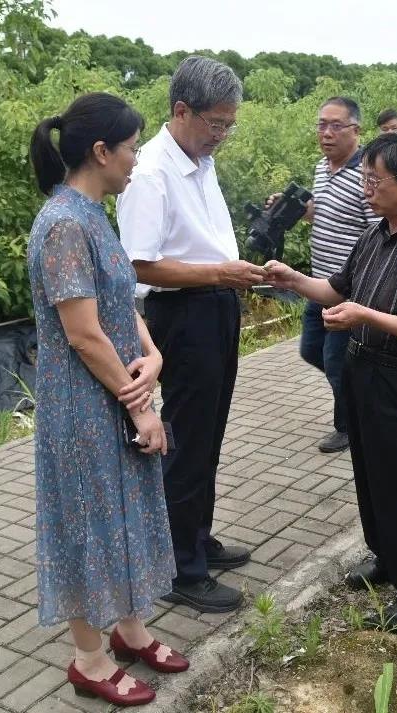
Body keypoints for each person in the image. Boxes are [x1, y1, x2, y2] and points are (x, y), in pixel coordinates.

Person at [264, 132, 397, 632]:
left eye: (374, 179)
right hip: (361, 370)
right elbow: (334, 289)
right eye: (365, 177)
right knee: (369, 476)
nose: (365, 188)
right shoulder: (375, 233)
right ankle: (384, 558)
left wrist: (366, 316)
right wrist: (290, 278)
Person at [27, 93, 190, 707]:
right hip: (82, 406)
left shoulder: (96, 213)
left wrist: (153, 353)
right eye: (131, 149)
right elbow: (83, 332)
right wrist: (142, 407)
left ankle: (130, 630)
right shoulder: (66, 224)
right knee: (88, 523)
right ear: (100, 152)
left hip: (117, 387)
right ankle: (88, 659)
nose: (136, 161)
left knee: (126, 511)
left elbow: (121, 305)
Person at [117, 56, 263, 614]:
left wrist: (234, 273)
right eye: (216, 124)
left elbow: (202, 242)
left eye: (230, 125)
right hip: (183, 316)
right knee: (186, 438)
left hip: (216, 305)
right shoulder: (150, 171)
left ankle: (198, 536)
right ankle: (181, 564)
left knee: (210, 433)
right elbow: (139, 265)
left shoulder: (199, 161)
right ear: (182, 111)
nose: (223, 136)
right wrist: (217, 274)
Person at [269, 96, 380, 453]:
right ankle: (359, 392)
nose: (326, 133)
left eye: (336, 126)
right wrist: (295, 210)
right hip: (318, 285)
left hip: (348, 290)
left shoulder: (369, 175)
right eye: (321, 125)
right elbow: (326, 214)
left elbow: (380, 230)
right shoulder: (321, 168)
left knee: (335, 361)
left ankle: (348, 426)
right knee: (311, 350)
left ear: (356, 131)